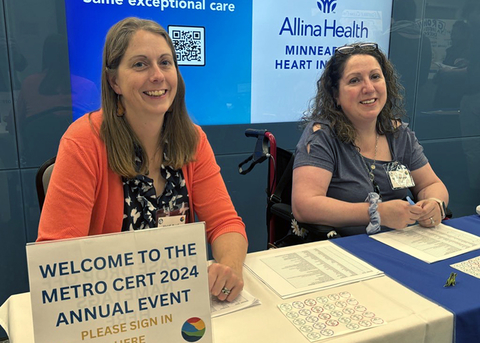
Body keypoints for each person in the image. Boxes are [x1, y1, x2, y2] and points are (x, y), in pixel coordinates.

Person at [37, 17, 248, 302]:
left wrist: (229, 269)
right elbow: (56, 255)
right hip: (107, 306)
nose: (158, 75)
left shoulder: (192, 139)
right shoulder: (83, 142)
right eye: (140, 64)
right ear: (114, 81)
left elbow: (225, 224)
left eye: (165, 62)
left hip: (180, 305)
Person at [292, 42, 449, 236]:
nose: (368, 88)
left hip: (400, 245)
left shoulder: (398, 134)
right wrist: (374, 212)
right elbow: (305, 205)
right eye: (354, 81)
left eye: (375, 77)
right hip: (343, 251)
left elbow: (431, 185)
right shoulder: (321, 136)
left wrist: (435, 203)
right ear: (336, 95)